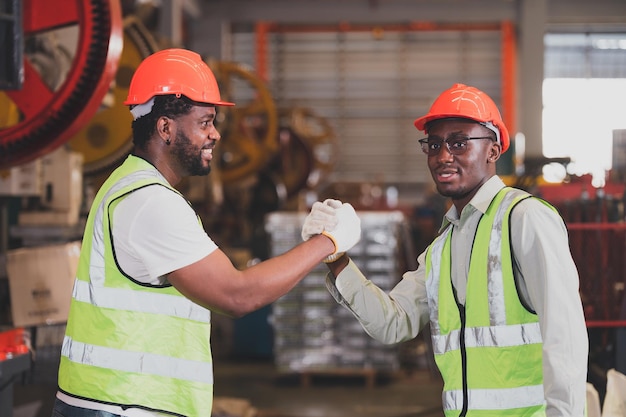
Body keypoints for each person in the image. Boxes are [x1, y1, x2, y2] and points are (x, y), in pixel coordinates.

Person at [52, 48, 361, 417]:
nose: (214, 134)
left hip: (117, 401)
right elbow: (237, 295)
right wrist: (328, 241)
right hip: (123, 406)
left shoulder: (129, 186)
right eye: (205, 122)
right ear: (165, 128)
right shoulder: (150, 202)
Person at [303, 84, 589, 416]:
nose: (443, 156)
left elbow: (565, 336)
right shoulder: (445, 245)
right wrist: (336, 257)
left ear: (493, 151)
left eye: (459, 143)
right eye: (434, 144)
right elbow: (393, 322)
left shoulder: (524, 219)